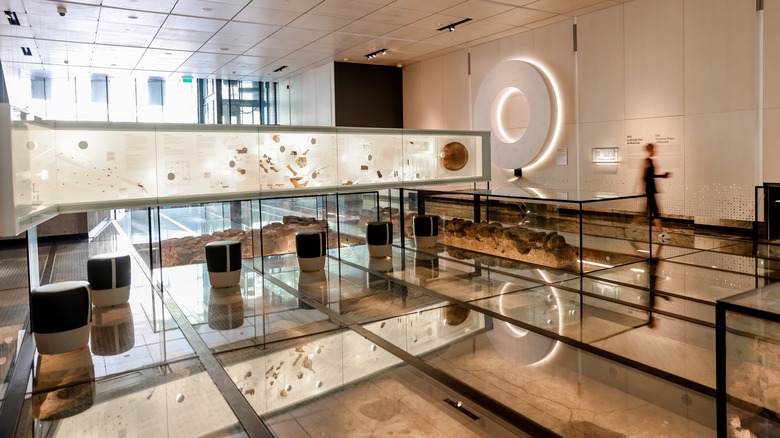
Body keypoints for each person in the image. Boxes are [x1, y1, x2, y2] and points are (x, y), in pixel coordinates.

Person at [642, 143, 671, 242]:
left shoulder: (650, 161)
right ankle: (661, 233)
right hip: (649, 190)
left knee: (653, 212)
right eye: (653, 149)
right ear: (650, 150)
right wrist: (643, 190)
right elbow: (644, 177)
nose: (655, 151)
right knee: (653, 212)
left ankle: (661, 233)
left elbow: (651, 176)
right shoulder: (646, 161)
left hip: (651, 190)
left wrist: (663, 176)